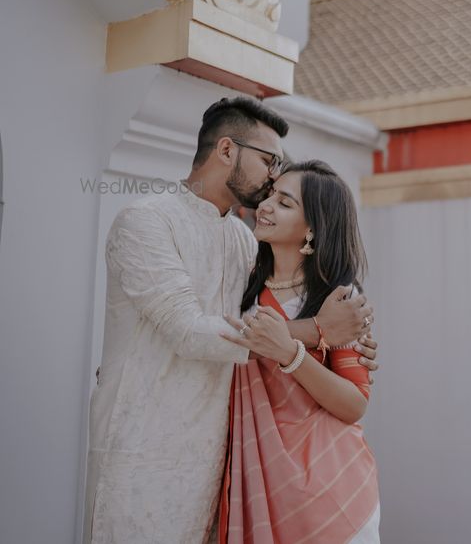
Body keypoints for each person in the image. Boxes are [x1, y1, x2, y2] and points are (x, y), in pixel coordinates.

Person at [84, 97, 379, 543]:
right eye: (268, 161)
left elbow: (283, 307)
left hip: (220, 466)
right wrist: (317, 331)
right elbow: (188, 331)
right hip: (142, 452)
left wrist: (346, 342)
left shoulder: (242, 240)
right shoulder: (145, 223)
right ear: (227, 150)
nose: (273, 174)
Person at [218, 160, 380, 543]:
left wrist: (292, 354)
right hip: (257, 477)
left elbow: (354, 403)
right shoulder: (240, 284)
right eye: (271, 195)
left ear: (312, 229)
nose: (266, 206)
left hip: (330, 483)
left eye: (285, 203)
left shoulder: (338, 298)